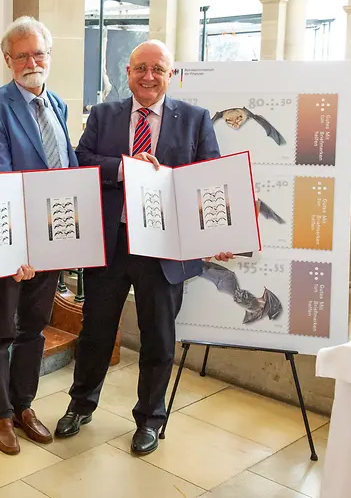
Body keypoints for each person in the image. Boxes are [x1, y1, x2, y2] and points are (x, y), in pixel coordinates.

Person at [56, 39, 233, 456]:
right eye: (139, 68)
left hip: (165, 249)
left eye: (157, 69)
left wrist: (217, 234)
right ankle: (81, 404)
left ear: (171, 74)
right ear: (128, 73)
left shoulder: (194, 119)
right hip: (112, 245)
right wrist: (123, 168)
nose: (148, 77)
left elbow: (208, 181)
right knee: (96, 331)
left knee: (158, 337)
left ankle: (150, 419)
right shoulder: (104, 115)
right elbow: (81, 160)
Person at [0, 16, 79, 456]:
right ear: (7, 60)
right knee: (1, 331)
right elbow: (1, 176)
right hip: (12, 241)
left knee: (35, 328)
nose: (32, 61)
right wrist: (21, 245)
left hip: (53, 238)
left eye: (39, 53)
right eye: (22, 55)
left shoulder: (57, 103)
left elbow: (66, 169)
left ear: (49, 57)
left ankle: (24, 405)